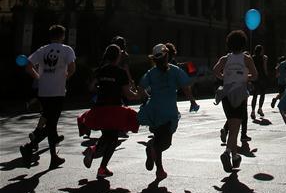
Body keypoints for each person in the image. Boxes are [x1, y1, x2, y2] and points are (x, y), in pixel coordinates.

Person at [78, 44, 139, 178]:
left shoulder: (100, 70)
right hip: (115, 109)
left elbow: (90, 87)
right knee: (113, 138)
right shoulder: (121, 72)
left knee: (107, 136)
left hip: (100, 108)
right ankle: (101, 166)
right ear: (118, 57)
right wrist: (138, 94)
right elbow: (127, 94)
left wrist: (101, 89)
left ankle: (94, 153)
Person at [21, 24, 76, 169]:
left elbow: (28, 65)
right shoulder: (66, 49)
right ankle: (31, 147)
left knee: (51, 123)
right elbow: (72, 68)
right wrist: (66, 77)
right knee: (52, 123)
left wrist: (38, 77)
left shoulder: (43, 49)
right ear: (62, 36)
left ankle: (50, 155)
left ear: (50, 36)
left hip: (43, 91)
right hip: (57, 91)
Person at [137, 43, 193, 182]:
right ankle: (152, 152)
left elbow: (140, 88)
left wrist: (146, 99)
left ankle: (159, 169)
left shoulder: (151, 73)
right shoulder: (175, 70)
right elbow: (186, 87)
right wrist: (192, 101)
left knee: (158, 139)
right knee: (165, 143)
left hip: (154, 111)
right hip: (168, 112)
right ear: (167, 55)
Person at [213, 30, 258, 173]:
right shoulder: (247, 59)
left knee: (232, 126)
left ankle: (234, 156)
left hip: (226, 93)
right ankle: (226, 153)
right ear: (243, 44)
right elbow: (255, 75)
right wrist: (245, 77)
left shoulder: (224, 59)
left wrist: (225, 77)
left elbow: (215, 71)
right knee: (234, 130)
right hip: (239, 94)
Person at [165, 42, 199, 111]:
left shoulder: (156, 68)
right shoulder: (173, 66)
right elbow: (185, 85)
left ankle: (193, 103)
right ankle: (193, 103)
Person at [250, 44, 269, 119]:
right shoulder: (264, 58)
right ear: (261, 51)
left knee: (255, 95)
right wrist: (267, 75)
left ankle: (253, 111)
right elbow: (265, 68)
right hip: (262, 77)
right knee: (262, 94)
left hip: (255, 77)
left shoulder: (252, 58)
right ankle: (260, 109)